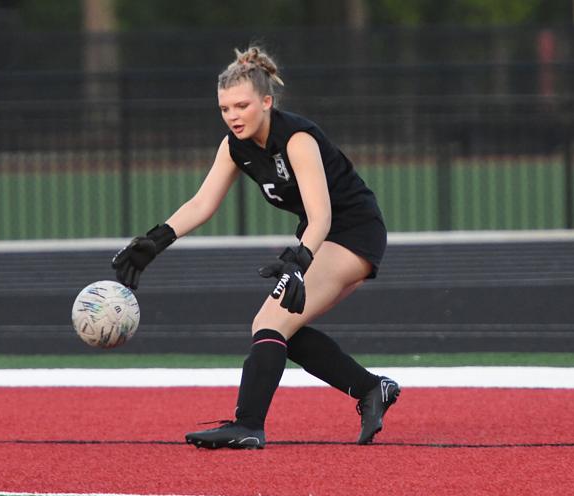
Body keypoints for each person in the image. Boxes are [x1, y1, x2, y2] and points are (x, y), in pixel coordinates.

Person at [111, 46, 400, 450]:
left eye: (242, 105)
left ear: (266, 102)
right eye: (225, 108)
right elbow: (201, 203)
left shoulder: (296, 139)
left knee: (270, 323)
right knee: (281, 331)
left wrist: (299, 260)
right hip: (322, 236)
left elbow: (322, 217)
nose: (233, 116)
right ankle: (372, 390)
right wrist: (154, 241)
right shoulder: (235, 146)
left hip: (352, 231)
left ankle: (248, 425)